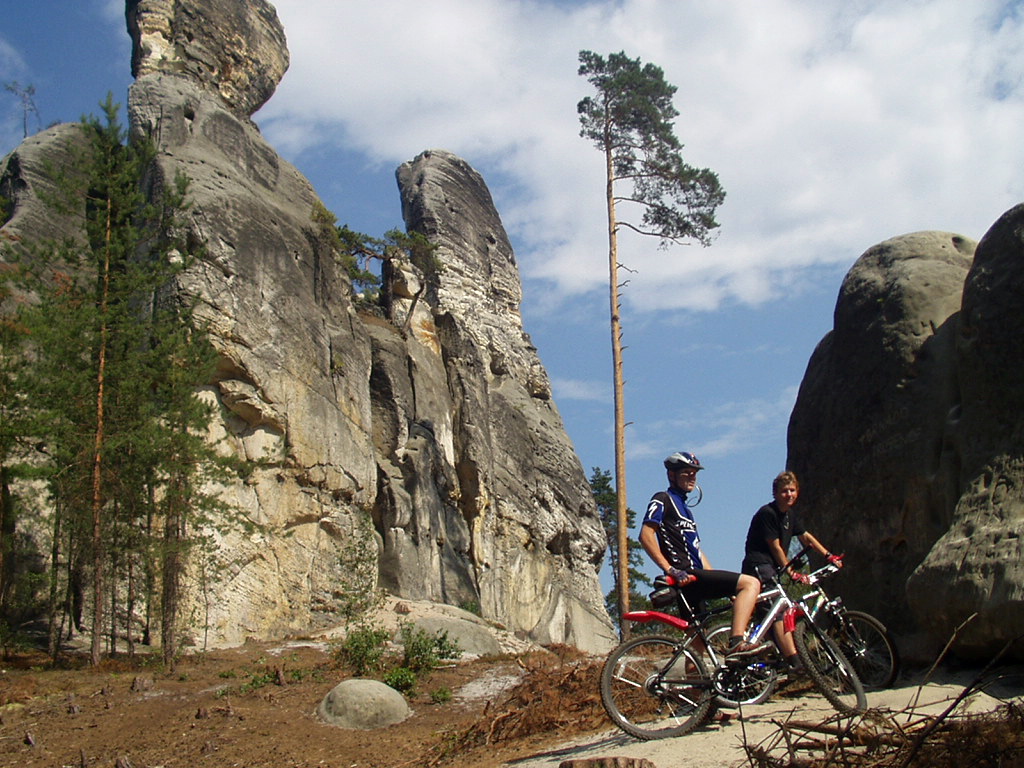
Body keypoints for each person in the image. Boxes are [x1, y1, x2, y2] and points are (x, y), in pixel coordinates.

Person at [640, 451, 766, 658]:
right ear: (672, 475)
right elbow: (645, 535)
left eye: (694, 473)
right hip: (688, 576)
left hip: (694, 578)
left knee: (696, 649)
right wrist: (670, 570)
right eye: (686, 473)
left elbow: (697, 550)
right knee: (751, 584)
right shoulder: (663, 499)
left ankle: (692, 691)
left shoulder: (686, 510)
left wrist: (725, 588)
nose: (692, 477)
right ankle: (736, 641)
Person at [741, 470, 843, 671]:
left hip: (773, 568)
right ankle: (796, 664)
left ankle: (768, 665)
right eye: (784, 491)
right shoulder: (768, 514)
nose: (789, 494)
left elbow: (806, 537)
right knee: (779, 611)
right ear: (775, 493)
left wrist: (829, 555)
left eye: (792, 490)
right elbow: (775, 547)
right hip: (759, 566)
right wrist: (791, 572)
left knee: (769, 616)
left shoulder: (789, 516)